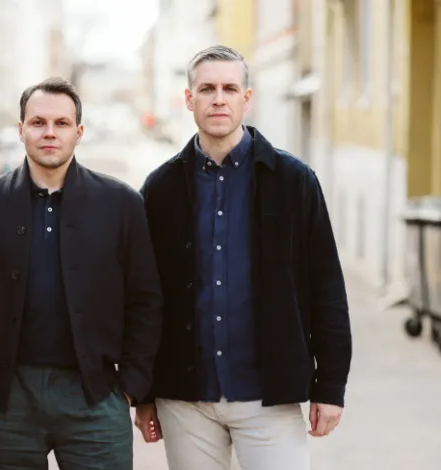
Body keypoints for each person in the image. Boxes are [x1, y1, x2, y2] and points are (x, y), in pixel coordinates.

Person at [135, 45, 353, 470]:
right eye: (207, 89)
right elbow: (144, 297)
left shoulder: (294, 181)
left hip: (268, 394)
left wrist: (330, 386)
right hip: (185, 399)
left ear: (246, 99)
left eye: (230, 88)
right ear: (189, 99)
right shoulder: (159, 189)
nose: (219, 98)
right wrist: (144, 394)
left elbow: (326, 286)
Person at [0, 77, 164, 469]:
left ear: (78, 133)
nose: (49, 133)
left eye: (61, 124)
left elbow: (146, 301)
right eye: (38, 122)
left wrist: (130, 387)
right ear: (21, 129)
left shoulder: (120, 204)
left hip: (95, 396)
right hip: (7, 400)